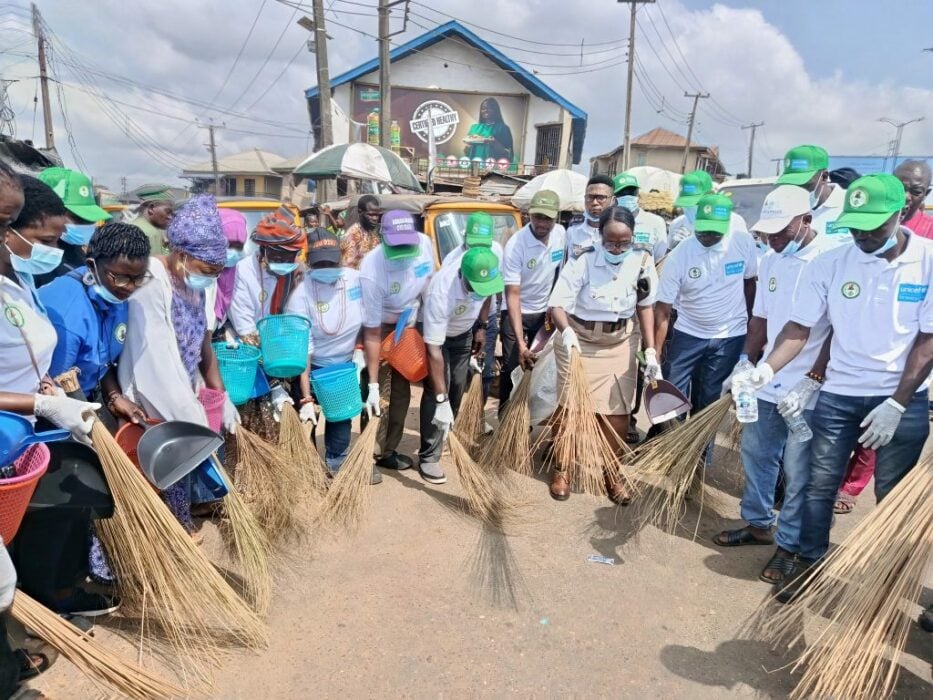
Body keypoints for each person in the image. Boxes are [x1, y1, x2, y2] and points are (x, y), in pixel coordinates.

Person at [743, 174, 932, 602]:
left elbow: (928, 339)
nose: (863, 235)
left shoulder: (927, 261)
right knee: (816, 483)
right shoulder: (831, 264)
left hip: (900, 398)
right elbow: (799, 328)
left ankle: (889, 576)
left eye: (874, 225)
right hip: (839, 395)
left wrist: (898, 403)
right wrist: (764, 370)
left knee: (893, 493)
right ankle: (808, 560)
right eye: (855, 226)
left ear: (902, 213)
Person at [0, 165, 114, 617]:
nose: (54, 251)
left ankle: (43, 609)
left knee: (45, 523)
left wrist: (48, 386)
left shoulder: (19, 283)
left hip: (20, 437)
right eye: (44, 240)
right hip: (17, 425)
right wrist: (43, 403)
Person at [714, 186, 832, 584]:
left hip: (808, 389)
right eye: (768, 232)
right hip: (767, 379)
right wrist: (746, 361)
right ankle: (758, 523)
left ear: (806, 221)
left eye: (781, 230)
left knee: (799, 471)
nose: (774, 238)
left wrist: (815, 377)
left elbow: (833, 331)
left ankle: (789, 543)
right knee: (757, 454)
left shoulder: (829, 259)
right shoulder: (769, 260)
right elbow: (761, 318)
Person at [117, 194, 240, 536]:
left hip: (183, 390)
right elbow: (155, 359)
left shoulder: (194, 285)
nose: (210, 279)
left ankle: (179, 536)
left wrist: (219, 393)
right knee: (153, 482)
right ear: (183, 255)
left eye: (217, 273)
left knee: (180, 476)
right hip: (148, 398)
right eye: (207, 271)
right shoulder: (152, 282)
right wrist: (189, 415)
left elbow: (202, 343)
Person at [548, 206, 660, 503]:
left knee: (618, 413)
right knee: (570, 407)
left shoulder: (642, 260)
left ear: (632, 237)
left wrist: (650, 350)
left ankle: (612, 472)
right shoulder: (583, 259)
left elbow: (646, 307)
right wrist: (566, 332)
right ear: (600, 236)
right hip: (579, 339)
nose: (617, 248)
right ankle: (562, 469)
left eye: (623, 242)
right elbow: (557, 304)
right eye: (611, 242)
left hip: (620, 340)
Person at [655, 193, 758, 429]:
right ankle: (671, 451)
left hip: (729, 337)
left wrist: (750, 330)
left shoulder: (743, 243)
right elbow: (663, 309)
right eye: (702, 231)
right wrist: (656, 353)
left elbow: (749, 283)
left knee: (708, 402)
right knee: (672, 398)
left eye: (714, 232)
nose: (707, 237)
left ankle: (700, 459)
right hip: (688, 334)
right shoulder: (681, 253)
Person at [38, 223, 150, 421]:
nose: (131, 288)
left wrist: (114, 396)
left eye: (139, 279)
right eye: (122, 278)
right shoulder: (69, 318)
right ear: (92, 266)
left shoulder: (115, 295)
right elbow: (55, 388)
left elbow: (99, 358)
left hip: (86, 397)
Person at [286, 228, 371, 479]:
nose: (326, 267)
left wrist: (359, 349)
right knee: (307, 423)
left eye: (331, 261)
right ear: (309, 261)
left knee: (340, 422)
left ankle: (336, 466)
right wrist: (306, 398)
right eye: (319, 263)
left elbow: (371, 318)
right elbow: (303, 350)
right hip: (312, 368)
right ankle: (309, 470)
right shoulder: (300, 296)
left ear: (342, 257)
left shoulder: (357, 281)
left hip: (344, 366)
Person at [360, 210, 436, 472]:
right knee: (379, 391)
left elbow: (429, 287)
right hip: (380, 327)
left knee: (401, 392)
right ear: (383, 238)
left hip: (409, 324)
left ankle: (389, 450)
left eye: (407, 243)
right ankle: (370, 452)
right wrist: (370, 382)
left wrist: (425, 330)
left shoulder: (425, 245)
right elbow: (370, 333)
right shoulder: (371, 269)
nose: (404, 249)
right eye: (397, 244)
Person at [420, 247, 502, 483]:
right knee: (438, 390)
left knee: (457, 386)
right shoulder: (441, 290)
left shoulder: (486, 278)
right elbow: (433, 349)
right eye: (476, 285)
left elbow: (489, 294)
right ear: (462, 275)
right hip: (439, 339)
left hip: (465, 334)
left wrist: (481, 327)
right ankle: (428, 456)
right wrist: (440, 400)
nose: (481, 291)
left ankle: (446, 435)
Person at [499, 190, 566, 413]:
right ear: (528, 215)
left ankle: (529, 415)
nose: (542, 223)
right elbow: (513, 295)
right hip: (515, 312)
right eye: (537, 217)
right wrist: (520, 343)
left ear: (556, 217)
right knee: (512, 367)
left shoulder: (561, 235)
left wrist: (552, 305)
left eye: (547, 218)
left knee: (539, 366)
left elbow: (560, 274)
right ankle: (507, 417)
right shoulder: (516, 245)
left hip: (544, 313)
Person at [441, 211, 503, 404]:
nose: (477, 248)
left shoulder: (497, 251)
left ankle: (476, 422)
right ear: (465, 235)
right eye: (473, 241)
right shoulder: (453, 260)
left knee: (484, 371)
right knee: (451, 378)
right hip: (459, 322)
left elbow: (490, 288)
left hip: (485, 317)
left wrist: (483, 326)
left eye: (483, 243)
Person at [228, 207, 306, 345]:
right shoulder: (243, 273)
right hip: (254, 345)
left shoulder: (296, 272)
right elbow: (246, 330)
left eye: (289, 259)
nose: (284, 263)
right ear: (263, 251)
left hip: (285, 343)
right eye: (277, 258)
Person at [35, 167, 113, 287]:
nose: (88, 225)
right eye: (79, 218)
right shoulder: (36, 261)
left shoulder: (77, 251)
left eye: (91, 219)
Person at [776, 145, 849, 249]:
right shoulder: (783, 212)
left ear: (824, 177)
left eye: (806, 185)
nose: (799, 191)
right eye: (792, 185)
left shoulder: (851, 207)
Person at [8, 175, 70, 293]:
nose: (56, 250)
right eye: (46, 241)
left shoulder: (24, 278)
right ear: (6, 232)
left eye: (57, 240)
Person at [613, 172, 668, 261]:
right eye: (622, 193)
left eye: (631, 193)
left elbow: (659, 257)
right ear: (613, 197)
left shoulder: (655, 222)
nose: (627, 196)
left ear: (638, 194)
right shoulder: (606, 222)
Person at [210, 208, 248, 332]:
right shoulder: (198, 272)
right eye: (228, 245)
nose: (232, 252)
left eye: (238, 247)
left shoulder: (236, 270)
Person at [566, 175, 615, 259]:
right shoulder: (573, 231)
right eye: (590, 197)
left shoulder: (618, 232)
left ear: (612, 200)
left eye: (601, 197)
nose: (594, 202)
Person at [122, 185, 174, 255]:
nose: (170, 217)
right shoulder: (151, 233)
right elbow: (154, 265)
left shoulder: (130, 226)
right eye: (168, 212)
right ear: (151, 208)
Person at [464, 98, 513, 162]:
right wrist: (468, 145)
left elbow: (508, 153)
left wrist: (495, 144)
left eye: (489, 108)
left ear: (495, 110)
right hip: (475, 165)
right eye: (483, 108)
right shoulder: (474, 127)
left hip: (493, 166)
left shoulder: (503, 128)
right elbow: (467, 151)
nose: (486, 110)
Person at [340, 194, 382, 269]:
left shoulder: (372, 234)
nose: (375, 218)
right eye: (371, 215)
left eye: (377, 215)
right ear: (360, 212)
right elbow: (347, 267)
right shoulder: (353, 236)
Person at [895, 159, 933, 239]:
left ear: (926, 194)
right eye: (899, 188)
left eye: (916, 191)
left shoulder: (930, 229)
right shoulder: (871, 221)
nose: (905, 196)